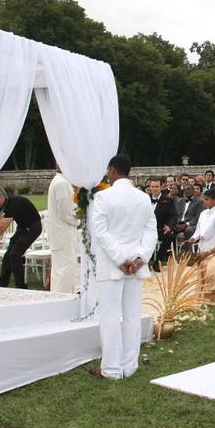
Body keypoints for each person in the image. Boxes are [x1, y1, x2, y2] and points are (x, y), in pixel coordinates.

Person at [88, 154, 157, 380]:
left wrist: (120, 259)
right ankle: (129, 366)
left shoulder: (103, 197)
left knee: (109, 317)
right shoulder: (144, 198)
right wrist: (139, 258)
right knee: (131, 316)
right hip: (135, 266)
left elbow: (100, 232)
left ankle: (111, 370)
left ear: (112, 170)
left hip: (112, 265)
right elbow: (150, 232)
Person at [0, 188, 42, 289]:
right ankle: (1, 285)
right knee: (7, 256)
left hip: (33, 227)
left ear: (1, 197)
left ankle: (21, 287)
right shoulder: (4, 203)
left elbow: (1, 228)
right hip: (23, 227)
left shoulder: (13, 203)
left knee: (14, 254)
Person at [47, 166, 81, 293]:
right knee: (65, 270)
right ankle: (63, 298)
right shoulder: (62, 183)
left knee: (61, 269)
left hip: (60, 232)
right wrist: (79, 220)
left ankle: (60, 296)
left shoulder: (61, 181)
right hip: (63, 233)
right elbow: (66, 212)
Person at [147, 177, 178, 268]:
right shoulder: (145, 199)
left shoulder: (168, 200)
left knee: (169, 236)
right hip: (146, 229)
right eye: (152, 186)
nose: (154, 188)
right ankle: (143, 262)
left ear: (161, 187)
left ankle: (158, 262)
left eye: (157, 186)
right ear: (150, 187)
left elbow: (173, 216)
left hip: (160, 229)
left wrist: (169, 226)